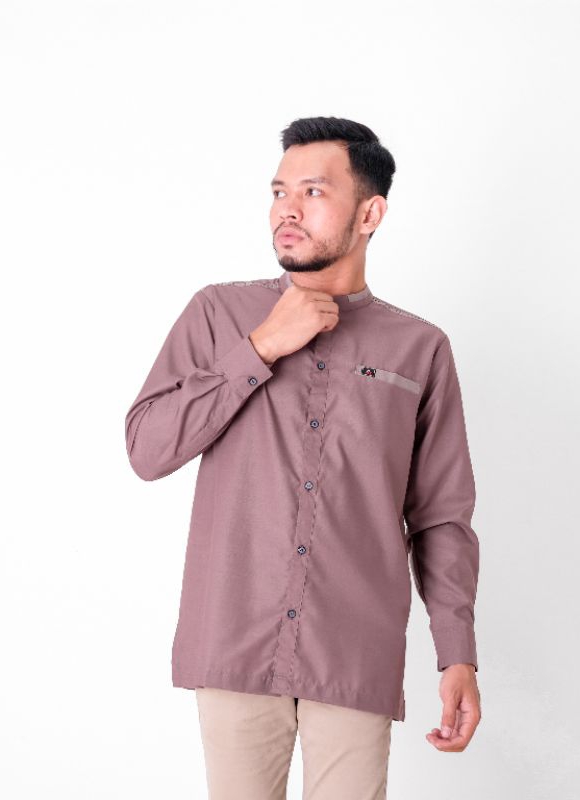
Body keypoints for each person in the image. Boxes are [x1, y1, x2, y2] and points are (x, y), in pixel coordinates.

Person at [124, 116, 481, 799]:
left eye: (313, 191)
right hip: (233, 642)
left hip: (353, 650)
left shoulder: (420, 349)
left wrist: (456, 653)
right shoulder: (219, 315)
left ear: (370, 214)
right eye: (279, 191)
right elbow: (147, 447)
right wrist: (260, 348)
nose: (287, 209)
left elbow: (441, 517)